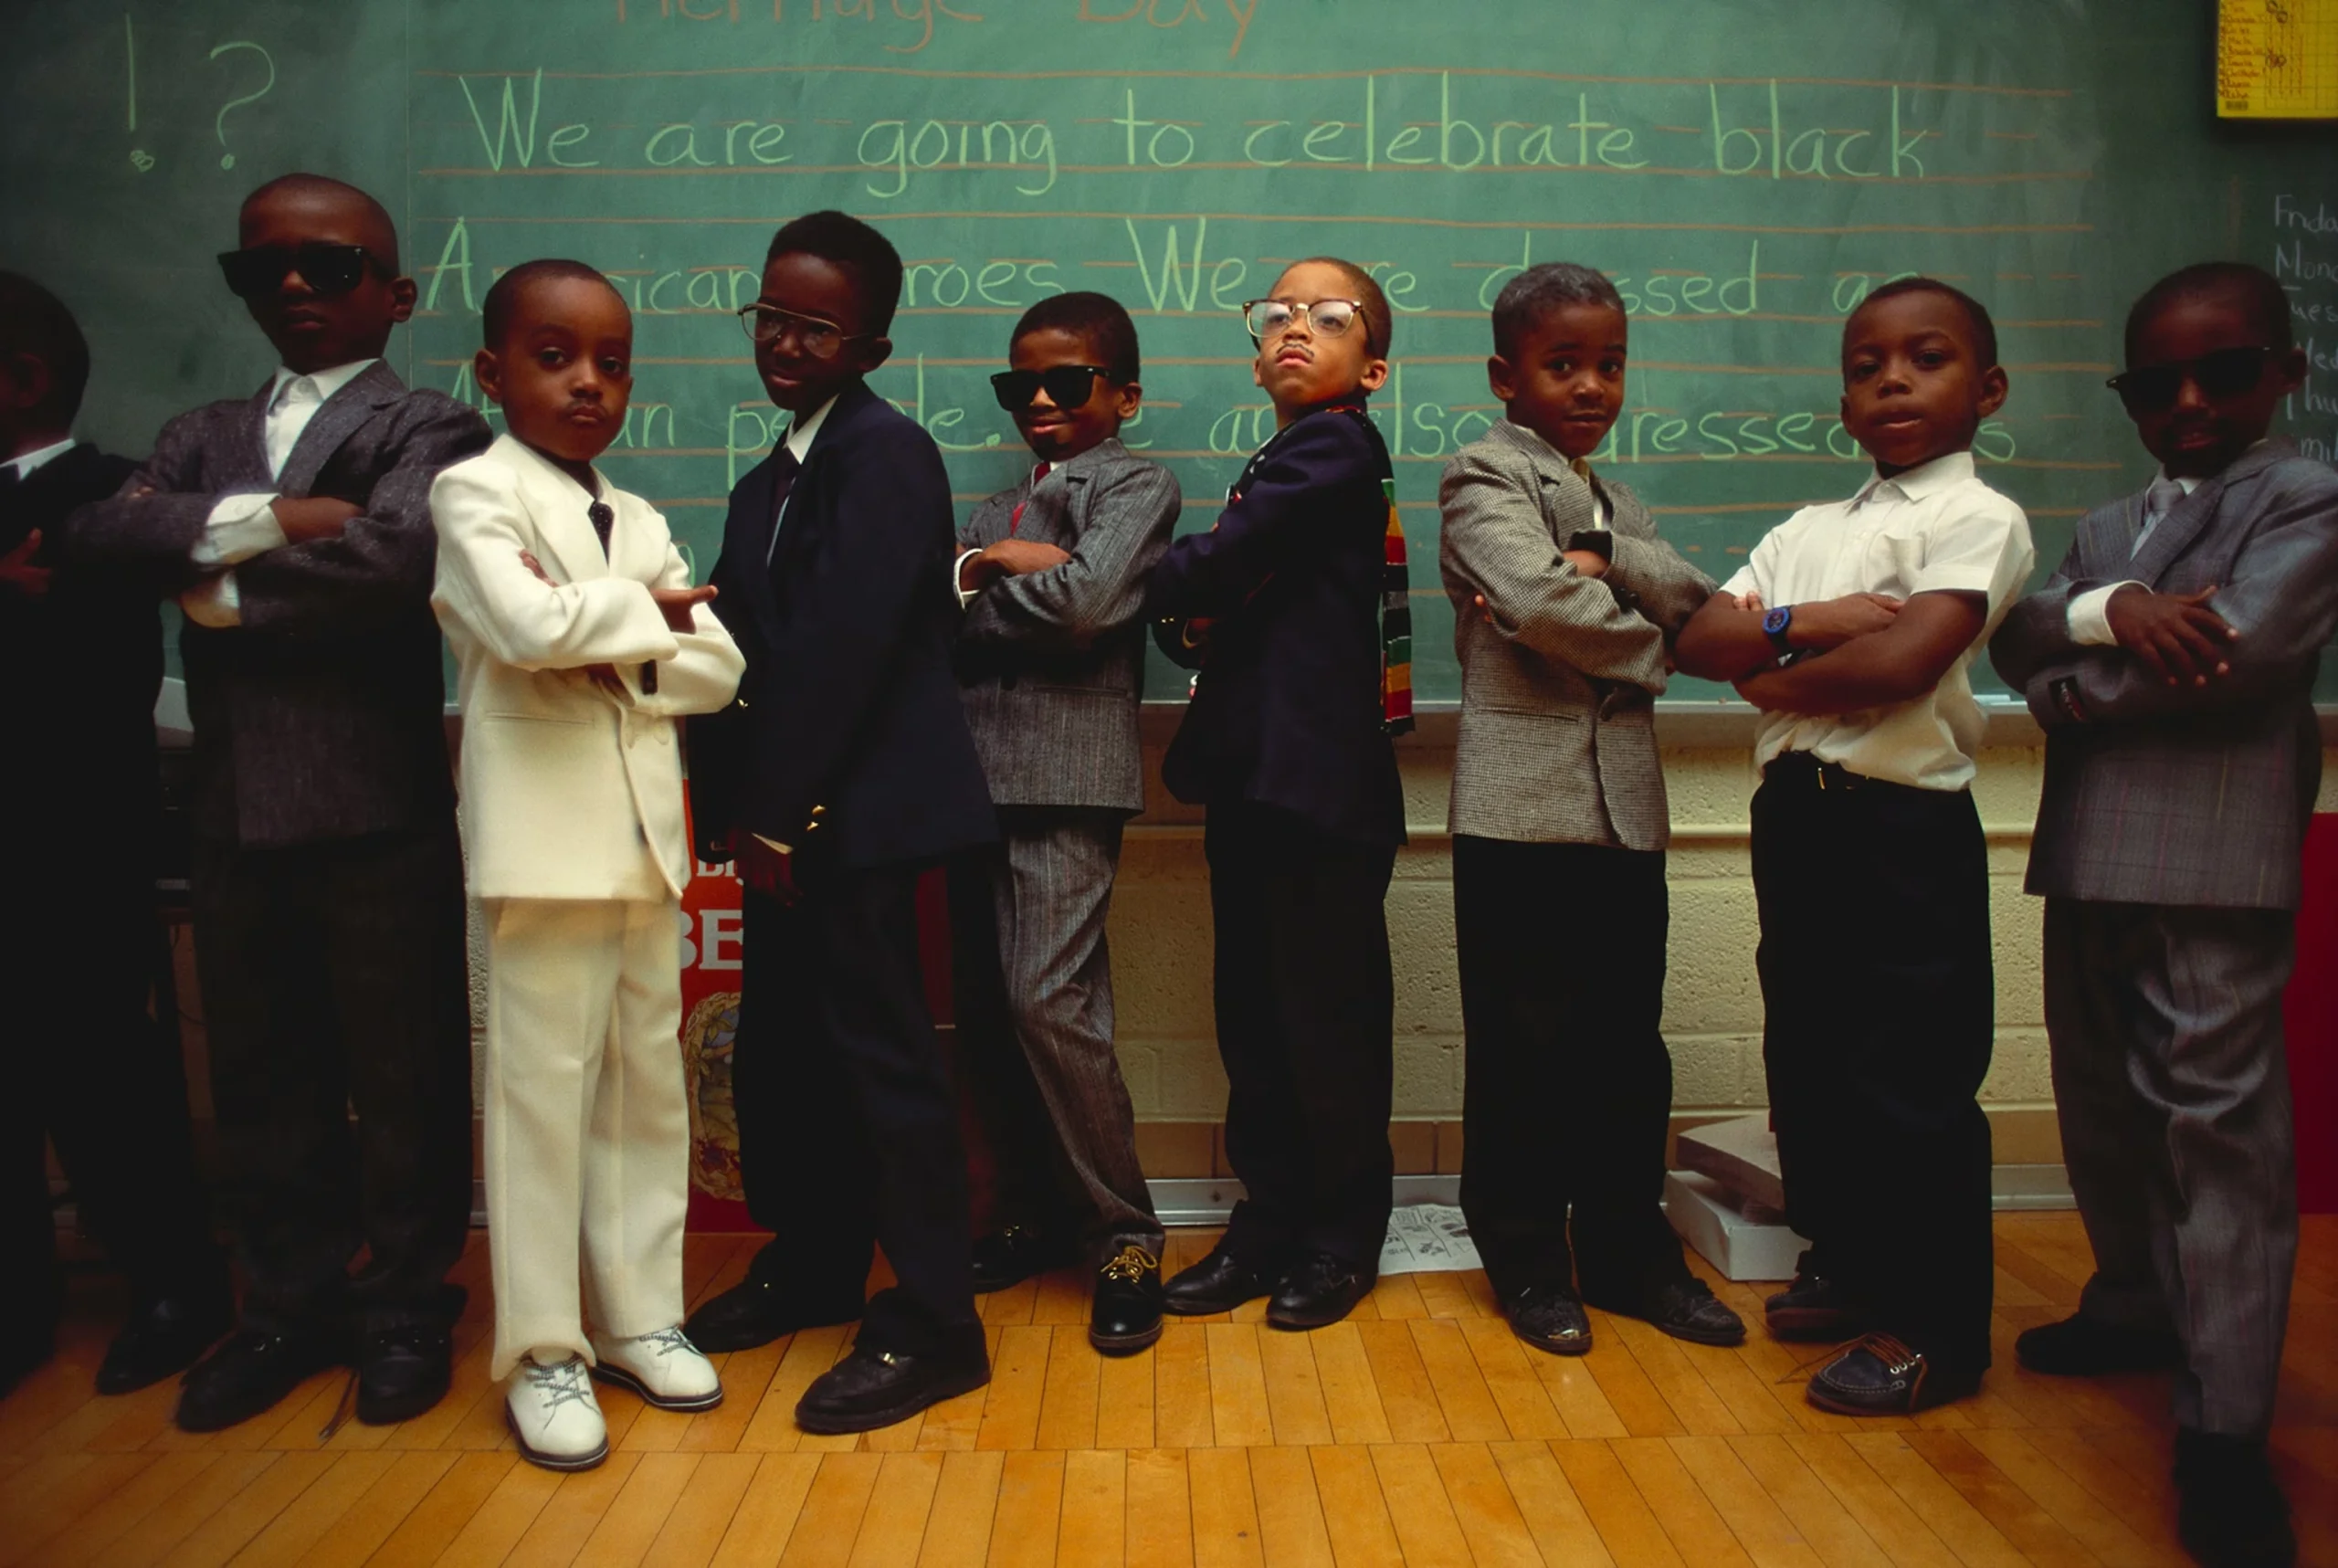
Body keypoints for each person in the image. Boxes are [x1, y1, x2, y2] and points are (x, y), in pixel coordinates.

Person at [67, 174, 488, 1433]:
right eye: (263, 270)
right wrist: (278, 520)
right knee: (260, 1073)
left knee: (405, 1072)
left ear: (395, 292)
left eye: (329, 264)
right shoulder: (203, 429)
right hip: (234, 803)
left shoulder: (431, 425)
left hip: (378, 802)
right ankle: (286, 1305)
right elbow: (98, 540)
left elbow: (394, 557)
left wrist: (204, 580)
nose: (295, 286)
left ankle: (407, 1303)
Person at [1990, 260, 2333, 1568]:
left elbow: (2238, 651)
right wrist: (2107, 609)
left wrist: (2073, 687)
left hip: (2210, 861)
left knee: (2217, 1141)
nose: (2188, 402)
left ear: (2286, 372)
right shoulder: (2110, 527)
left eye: (2223, 371)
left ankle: (2226, 1432)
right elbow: (2017, 635)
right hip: (2087, 852)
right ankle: (2134, 1304)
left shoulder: (2304, 497)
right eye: (2156, 383)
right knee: (2105, 1109)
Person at [1674, 277, 2033, 1415]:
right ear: (1841, 402)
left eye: (1925, 359)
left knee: (1909, 1075)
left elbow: (1903, 662)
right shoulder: (1804, 532)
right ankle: (1851, 1264)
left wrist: (1772, 672)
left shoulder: (1977, 516)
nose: (1891, 382)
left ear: (1986, 388)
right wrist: (1805, 634)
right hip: (1795, 814)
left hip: (1899, 822)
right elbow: (1700, 641)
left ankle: (1935, 1331)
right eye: (1866, 366)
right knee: (1813, 1059)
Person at [684, 211, 997, 1433]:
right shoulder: (768, 478)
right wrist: (727, 803)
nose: (784, 342)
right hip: (786, 820)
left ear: (870, 348)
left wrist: (775, 815)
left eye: (816, 328)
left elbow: (841, 649)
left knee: (884, 1065)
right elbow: (741, 649)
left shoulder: (887, 454)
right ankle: (816, 1262)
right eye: (772, 316)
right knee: (785, 1057)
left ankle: (936, 1322)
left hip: (859, 818)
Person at [430, 259, 744, 1470]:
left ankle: (634, 1316)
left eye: (612, 364)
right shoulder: (473, 490)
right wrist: (647, 618)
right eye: (555, 357)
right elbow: (521, 627)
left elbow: (718, 667)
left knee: (644, 1089)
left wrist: (607, 627)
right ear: (492, 370)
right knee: (540, 1097)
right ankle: (543, 1348)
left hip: (644, 842)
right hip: (544, 846)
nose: (587, 384)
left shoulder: (639, 513)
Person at [1438, 262, 1742, 1359]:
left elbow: (1698, 597)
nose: (1590, 386)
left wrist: (1615, 558)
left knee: (1625, 1048)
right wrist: (1663, 643)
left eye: (1608, 364)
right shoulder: (1482, 472)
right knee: (1521, 1049)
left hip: (1626, 813)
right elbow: (1539, 601)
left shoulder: (1615, 503)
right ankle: (1525, 1258)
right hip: (1518, 809)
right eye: (1561, 363)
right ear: (1504, 376)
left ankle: (1625, 1253)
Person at [1144, 258, 1408, 1332]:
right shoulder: (1287, 456)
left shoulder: (1334, 446)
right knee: (1254, 1019)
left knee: (1325, 1022)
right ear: (1256, 357)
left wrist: (1127, 569)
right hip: (1258, 778)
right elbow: (1223, 601)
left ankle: (1340, 1237)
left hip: (1319, 789)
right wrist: (1193, 602)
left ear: (1372, 368)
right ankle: (1268, 1223)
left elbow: (1221, 564)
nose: (1296, 326)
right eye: (1277, 315)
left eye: (1329, 317)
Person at [0, 271, 229, 1399]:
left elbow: (109, 646)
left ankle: (174, 1281)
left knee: (100, 1063)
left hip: (71, 833)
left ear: (23, 378)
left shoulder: (111, 494)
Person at [947, 291, 1180, 1353]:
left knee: (1048, 999)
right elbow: (937, 618)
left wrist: (991, 582)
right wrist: (1004, 567)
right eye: (1020, 384)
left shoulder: (1135, 483)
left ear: (1121, 394)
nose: (1038, 400)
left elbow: (1091, 608)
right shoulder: (992, 511)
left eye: (1066, 381)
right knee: (995, 1013)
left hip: (1067, 778)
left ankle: (1126, 1234)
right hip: (970, 778)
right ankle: (1034, 1211)